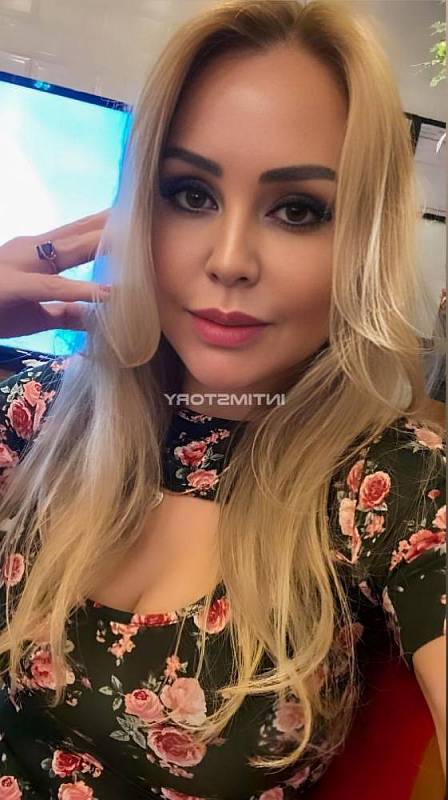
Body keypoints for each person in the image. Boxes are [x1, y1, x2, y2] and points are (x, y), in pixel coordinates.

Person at [0, 0, 445, 797]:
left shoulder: (390, 485)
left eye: (298, 210)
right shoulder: (42, 411)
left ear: (360, 242)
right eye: (190, 194)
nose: (231, 259)